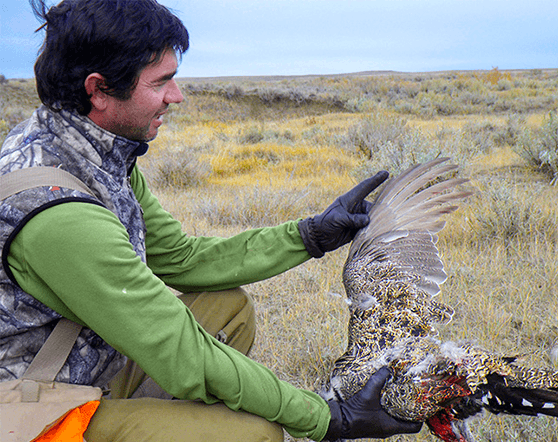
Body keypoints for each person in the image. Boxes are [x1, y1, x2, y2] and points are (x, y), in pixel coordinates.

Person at [0, 0, 423, 440]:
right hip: (35, 408)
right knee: (253, 434)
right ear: (99, 89)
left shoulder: (93, 153)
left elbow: (181, 259)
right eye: (162, 82)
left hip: (83, 365)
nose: (176, 96)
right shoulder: (59, 212)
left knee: (228, 308)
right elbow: (184, 353)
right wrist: (329, 418)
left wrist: (309, 235)